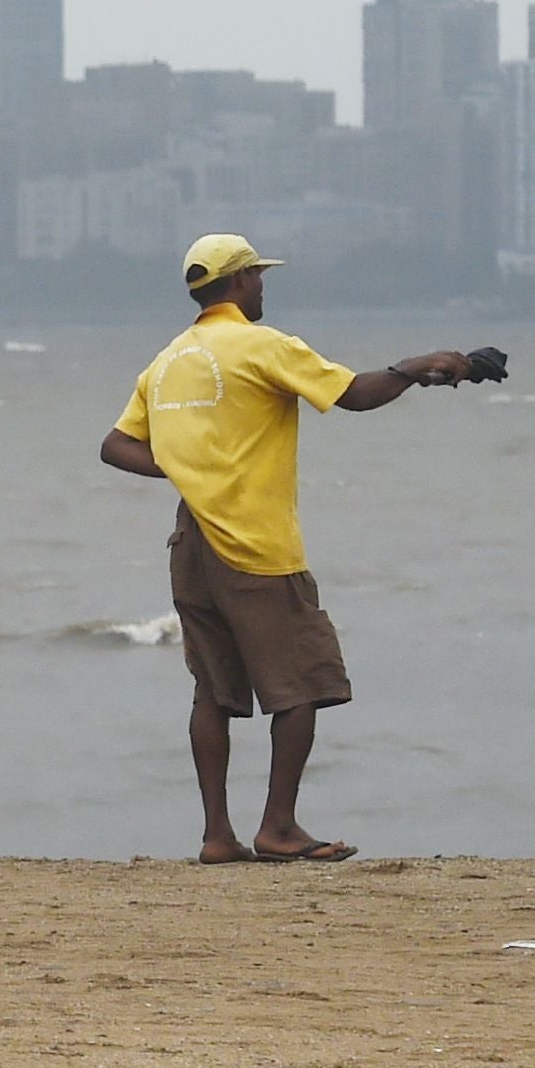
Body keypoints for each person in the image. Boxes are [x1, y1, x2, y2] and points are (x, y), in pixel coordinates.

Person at [94, 234, 476, 866]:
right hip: (256, 544)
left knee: (212, 692)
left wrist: (192, 469)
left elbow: (114, 446)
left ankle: (218, 836)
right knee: (300, 684)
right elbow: (353, 393)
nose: (264, 286)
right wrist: (415, 368)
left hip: (191, 543)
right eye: (258, 276)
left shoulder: (166, 362)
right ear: (240, 282)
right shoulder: (263, 346)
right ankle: (279, 828)